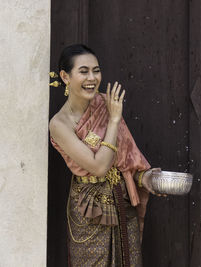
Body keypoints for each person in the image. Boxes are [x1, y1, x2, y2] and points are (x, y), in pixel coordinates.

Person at [49, 44, 160, 266]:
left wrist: (146, 178)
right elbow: (98, 167)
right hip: (88, 209)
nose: (92, 78)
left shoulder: (105, 103)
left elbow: (128, 159)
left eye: (96, 70)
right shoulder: (59, 124)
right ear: (65, 76)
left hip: (121, 202)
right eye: (83, 71)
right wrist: (114, 120)